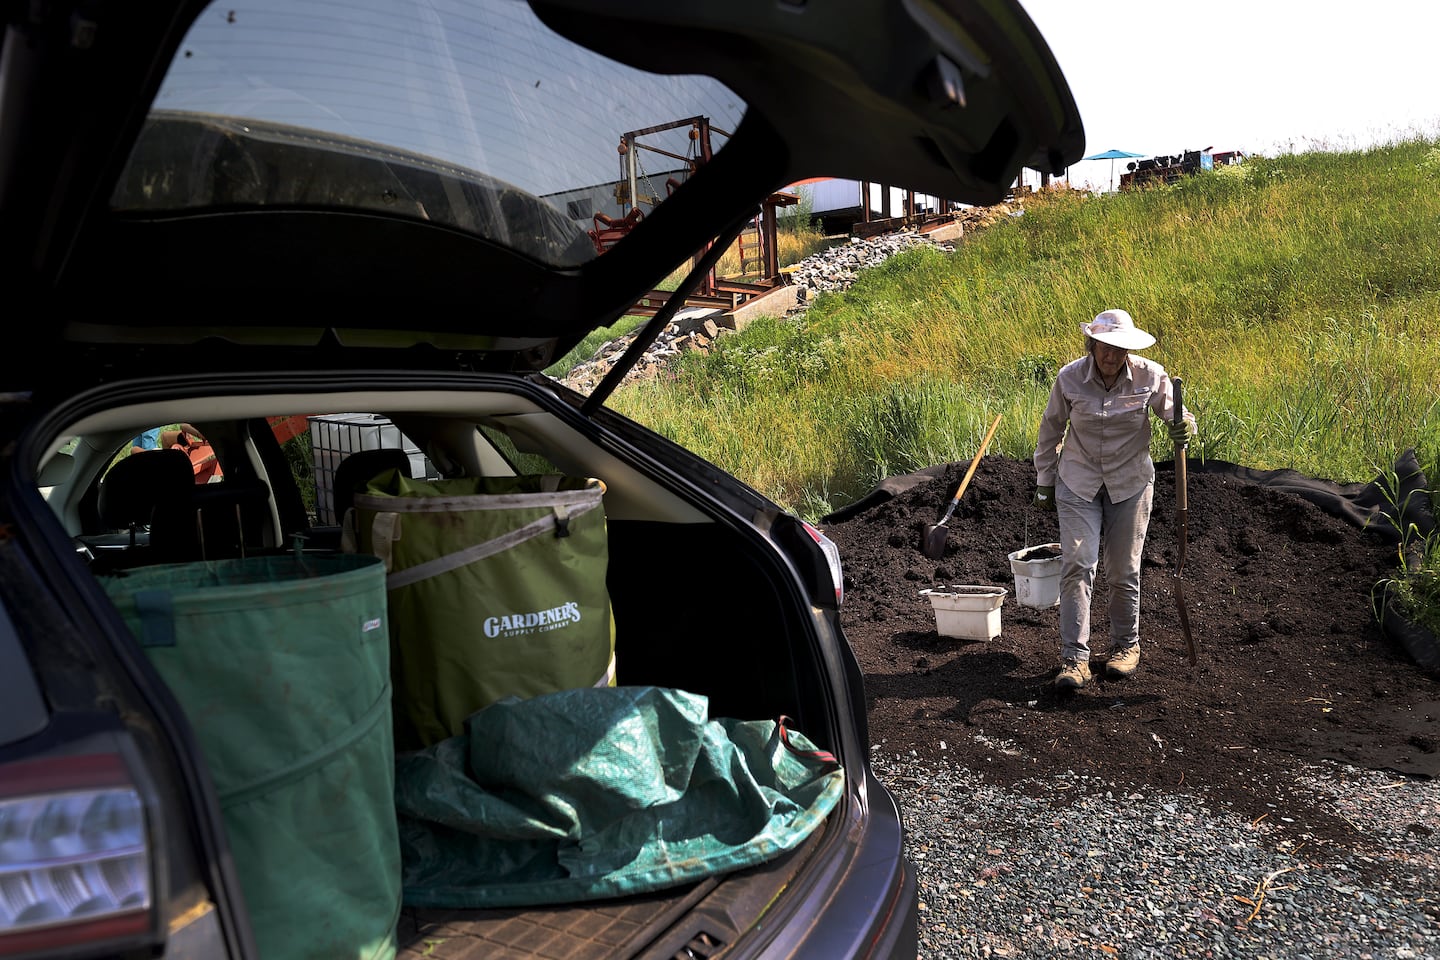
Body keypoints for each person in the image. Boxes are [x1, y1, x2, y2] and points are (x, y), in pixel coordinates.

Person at [1032, 309, 1195, 690]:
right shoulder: (1069, 377)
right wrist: (1044, 478)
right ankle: (1075, 660)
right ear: (1092, 344)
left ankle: (1126, 647)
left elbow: (1178, 414)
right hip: (1078, 481)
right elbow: (1051, 427)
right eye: (1105, 347)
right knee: (1078, 563)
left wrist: (1183, 425)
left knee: (1123, 569)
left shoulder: (1150, 375)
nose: (1112, 356)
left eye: (1120, 349)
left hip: (1130, 482)